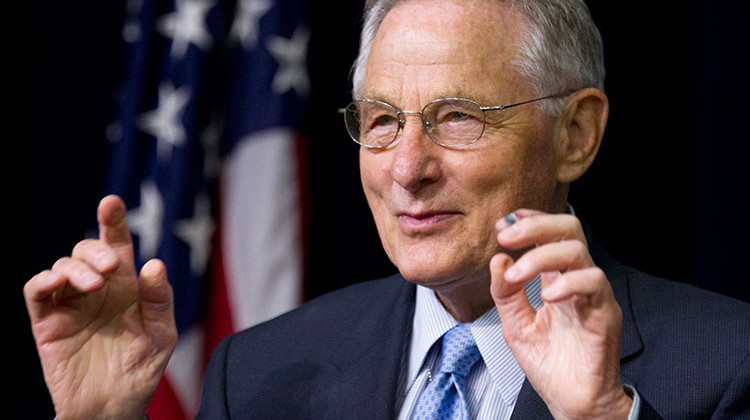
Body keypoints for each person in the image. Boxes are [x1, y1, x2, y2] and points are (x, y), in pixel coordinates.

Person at [24, 0, 750, 419]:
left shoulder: (728, 364)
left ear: (575, 134)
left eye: (459, 116)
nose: (408, 169)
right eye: (380, 121)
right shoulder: (257, 376)